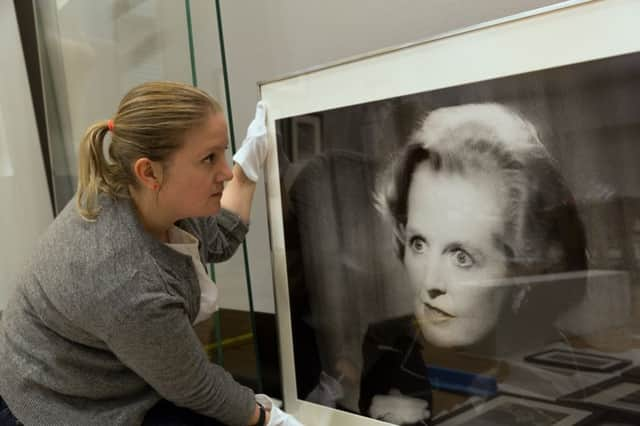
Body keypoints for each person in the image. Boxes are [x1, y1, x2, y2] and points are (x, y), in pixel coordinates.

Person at [0, 81, 301, 426]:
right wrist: (266, 418)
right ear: (149, 172)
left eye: (225, 152)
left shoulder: (145, 195)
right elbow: (196, 386)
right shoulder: (123, 274)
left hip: (110, 372)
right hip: (56, 404)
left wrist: (247, 173)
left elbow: (216, 239)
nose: (226, 172)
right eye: (209, 158)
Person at [359, 103, 588, 424]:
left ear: (525, 271)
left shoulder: (565, 374)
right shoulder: (387, 349)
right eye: (419, 243)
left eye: (462, 256)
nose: (430, 283)